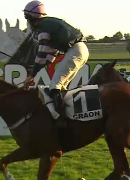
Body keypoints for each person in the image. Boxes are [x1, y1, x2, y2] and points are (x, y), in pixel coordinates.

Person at [22, 0, 89, 128]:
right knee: (61, 87)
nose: (26, 20)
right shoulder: (49, 24)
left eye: (26, 16)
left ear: (32, 16)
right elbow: (49, 56)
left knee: (55, 86)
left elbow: (41, 54)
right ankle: (68, 116)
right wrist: (35, 71)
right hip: (80, 50)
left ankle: (62, 121)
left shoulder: (43, 27)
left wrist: (31, 75)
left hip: (75, 51)